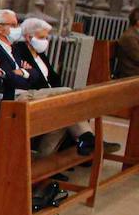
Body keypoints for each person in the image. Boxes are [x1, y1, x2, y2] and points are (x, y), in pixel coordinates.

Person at [10, 17, 98, 157]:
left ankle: (45, 161)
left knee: (63, 114)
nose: (46, 41)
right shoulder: (18, 51)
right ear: (28, 36)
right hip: (31, 97)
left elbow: (53, 77)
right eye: (42, 37)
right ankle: (86, 137)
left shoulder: (40, 54)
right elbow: (30, 79)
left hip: (47, 95)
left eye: (46, 37)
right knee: (67, 95)